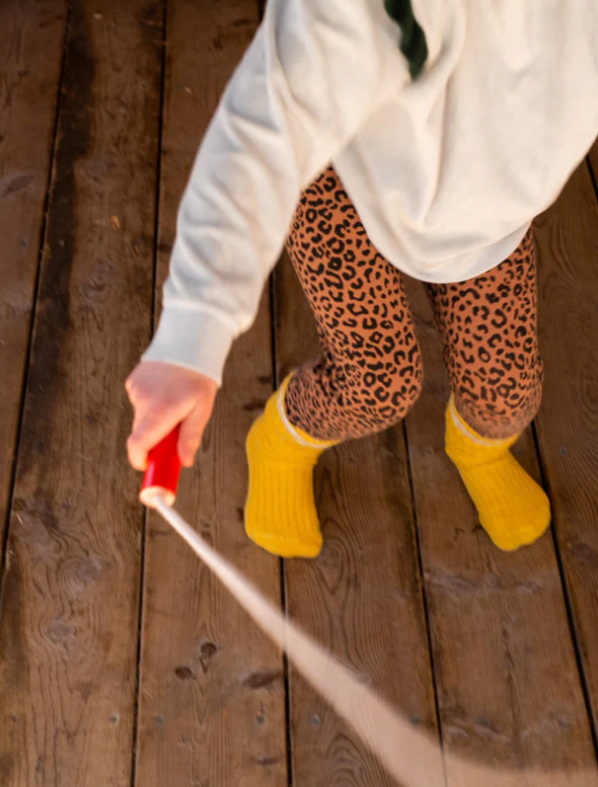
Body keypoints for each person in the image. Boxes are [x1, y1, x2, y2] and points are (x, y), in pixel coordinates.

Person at [125, 0, 598, 557]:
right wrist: (189, 337)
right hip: (340, 174)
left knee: (507, 394)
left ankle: (480, 451)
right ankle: (280, 440)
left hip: (488, 215)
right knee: (377, 382)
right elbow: (266, 126)